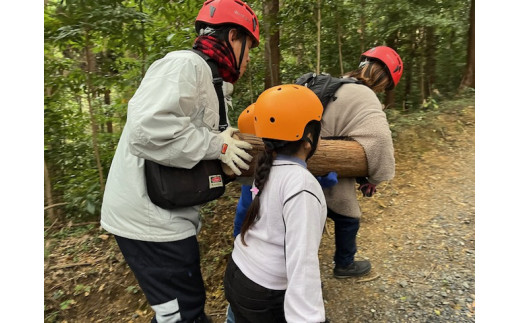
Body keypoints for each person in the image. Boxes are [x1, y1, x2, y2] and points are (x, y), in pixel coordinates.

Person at [100, 0, 260, 322]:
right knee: (183, 314)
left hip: (164, 213)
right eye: (249, 47)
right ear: (233, 39)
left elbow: (200, 145)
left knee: (178, 307)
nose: (248, 60)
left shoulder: (213, 84)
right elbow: (146, 130)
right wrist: (218, 146)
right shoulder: (185, 65)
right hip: (148, 220)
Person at [224, 84, 328, 322]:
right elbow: (302, 263)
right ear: (309, 138)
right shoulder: (302, 185)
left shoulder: (266, 169)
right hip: (265, 294)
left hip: (238, 272)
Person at [320, 46, 403, 278]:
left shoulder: (338, 82)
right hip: (325, 168)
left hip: (302, 161)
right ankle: (344, 265)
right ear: (384, 79)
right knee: (349, 215)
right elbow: (380, 140)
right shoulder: (366, 95)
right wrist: (374, 179)